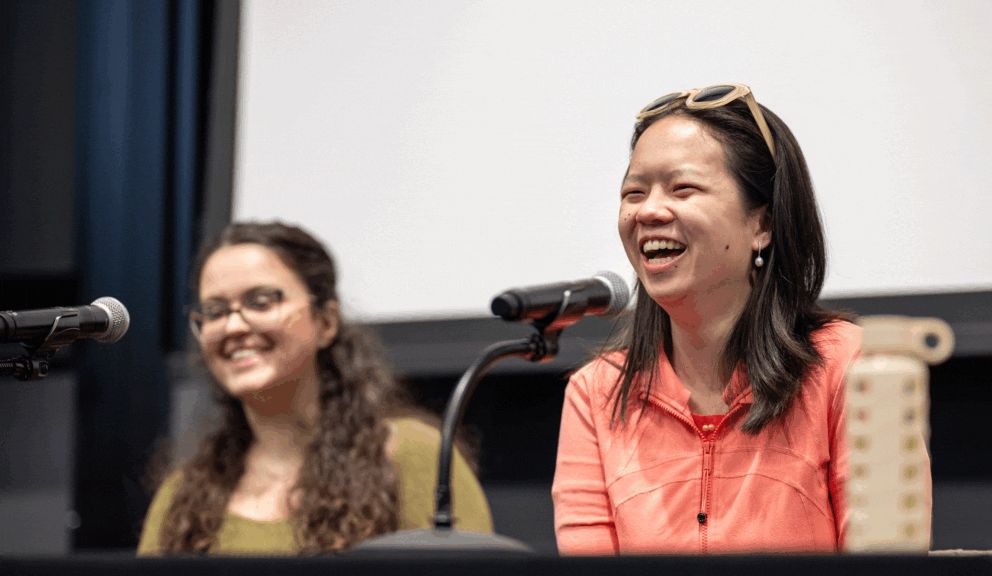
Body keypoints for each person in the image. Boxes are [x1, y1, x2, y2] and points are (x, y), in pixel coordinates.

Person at [551, 84, 931, 554]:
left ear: (763, 225)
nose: (648, 211)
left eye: (682, 188)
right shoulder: (596, 394)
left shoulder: (852, 366)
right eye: (634, 192)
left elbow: (887, 565)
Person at [139, 222, 492, 555]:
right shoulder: (182, 496)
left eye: (261, 302)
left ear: (325, 322)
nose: (232, 326)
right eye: (214, 311)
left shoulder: (411, 456)